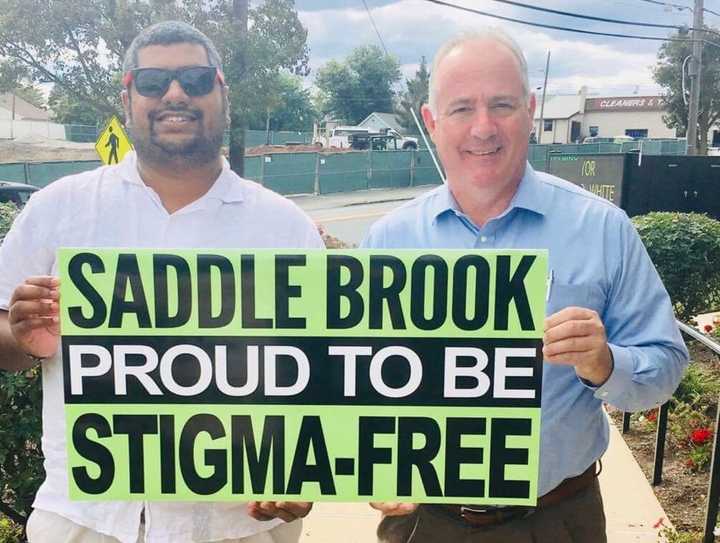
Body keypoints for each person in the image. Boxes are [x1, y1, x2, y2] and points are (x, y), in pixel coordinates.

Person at [362, 28, 688, 543]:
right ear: (432, 121)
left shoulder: (603, 229)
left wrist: (604, 363)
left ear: (531, 110)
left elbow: (666, 366)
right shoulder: (387, 240)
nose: (484, 127)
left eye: (503, 105)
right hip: (425, 523)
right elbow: (355, 382)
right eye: (462, 108)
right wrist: (374, 463)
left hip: (557, 519)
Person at [0, 21, 320, 543]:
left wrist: (302, 470)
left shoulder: (286, 227)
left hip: (235, 525)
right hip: (85, 519)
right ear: (128, 97)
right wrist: (24, 334)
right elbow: (5, 343)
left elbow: (317, 375)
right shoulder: (58, 209)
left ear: (222, 93)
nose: (175, 93)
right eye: (152, 82)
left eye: (195, 79)